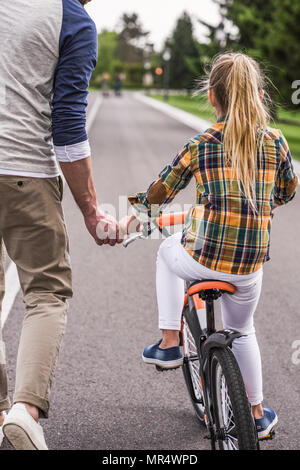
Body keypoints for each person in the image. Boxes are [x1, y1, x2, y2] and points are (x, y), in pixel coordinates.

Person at [120, 52, 298, 440]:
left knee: (167, 254)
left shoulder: (201, 144)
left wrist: (135, 215)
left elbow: (160, 191)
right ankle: (256, 413)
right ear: (258, 94)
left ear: (212, 98)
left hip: (203, 260)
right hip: (250, 267)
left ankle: (169, 342)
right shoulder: (275, 141)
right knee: (244, 329)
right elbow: (286, 191)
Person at [0, 0, 120, 451]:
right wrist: (91, 210)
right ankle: (25, 411)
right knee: (46, 292)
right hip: (23, 170)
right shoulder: (72, 20)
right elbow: (68, 126)